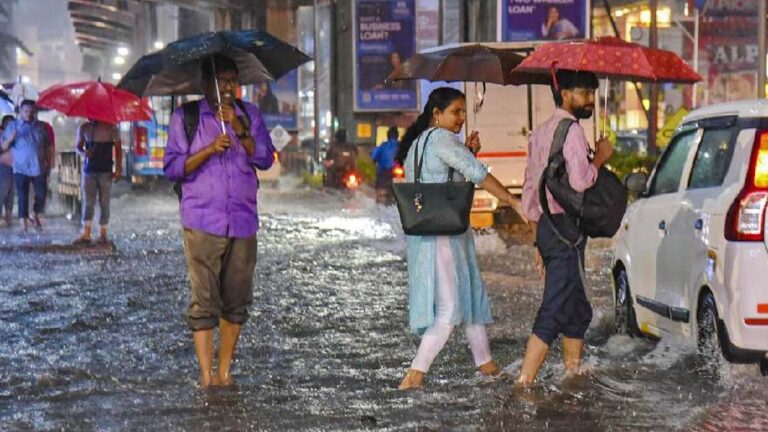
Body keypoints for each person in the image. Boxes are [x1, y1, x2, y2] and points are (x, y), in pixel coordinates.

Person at [396, 87, 524, 390]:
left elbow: (444, 179)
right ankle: (414, 375)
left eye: (464, 112)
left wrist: (467, 151)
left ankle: (486, 365)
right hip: (443, 236)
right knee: (450, 310)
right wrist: (513, 201)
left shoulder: (421, 142)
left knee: (469, 298)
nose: (462, 118)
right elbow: (476, 174)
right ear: (436, 114)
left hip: (441, 232)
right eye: (456, 112)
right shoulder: (440, 138)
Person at [164, 54, 275, 388]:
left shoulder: (249, 115)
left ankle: (225, 372)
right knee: (204, 300)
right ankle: (206, 375)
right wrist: (210, 149)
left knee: (237, 299)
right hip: (202, 220)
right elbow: (172, 168)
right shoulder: (186, 117)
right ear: (205, 83)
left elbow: (266, 159)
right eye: (221, 80)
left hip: (243, 220)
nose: (228, 87)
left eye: (232, 80)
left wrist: (241, 131)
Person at [518, 70, 614, 386]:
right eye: (584, 93)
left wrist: (538, 240)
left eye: (592, 93)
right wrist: (599, 158)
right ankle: (524, 383)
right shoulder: (571, 131)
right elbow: (581, 181)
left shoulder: (541, 131)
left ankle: (572, 375)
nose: (589, 100)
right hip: (566, 230)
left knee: (577, 309)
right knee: (555, 307)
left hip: (549, 227)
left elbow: (530, 188)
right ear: (565, 94)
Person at [0, 99, 50, 233]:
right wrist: (11, 138)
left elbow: (47, 145)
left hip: (38, 166)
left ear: (35, 111)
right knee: (22, 195)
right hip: (20, 167)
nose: (29, 114)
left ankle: (34, 213)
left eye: (31, 111)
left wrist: (48, 161)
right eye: (26, 111)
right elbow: (3, 147)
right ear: (20, 112)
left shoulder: (41, 126)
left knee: (41, 194)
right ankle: (23, 224)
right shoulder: (13, 126)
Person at [73, 120, 122, 244]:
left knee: (104, 201)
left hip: (105, 170)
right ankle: (86, 231)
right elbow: (78, 147)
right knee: (88, 201)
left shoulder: (112, 128)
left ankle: (103, 231)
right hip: (89, 170)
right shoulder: (84, 128)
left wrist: (118, 169)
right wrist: (84, 152)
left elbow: (118, 149)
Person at [371, 126, 399, 203]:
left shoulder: (383, 146)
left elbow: (374, 157)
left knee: (380, 191)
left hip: (384, 173)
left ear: (388, 136)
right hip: (400, 175)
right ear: (397, 136)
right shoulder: (403, 146)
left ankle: (380, 195)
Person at [0, 115, 14, 226]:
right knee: (2, 193)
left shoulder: (14, 136)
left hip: (14, 168)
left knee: (11, 194)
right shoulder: (2, 135)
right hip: (2, 167)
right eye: (9, 124)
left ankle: (9, 219)